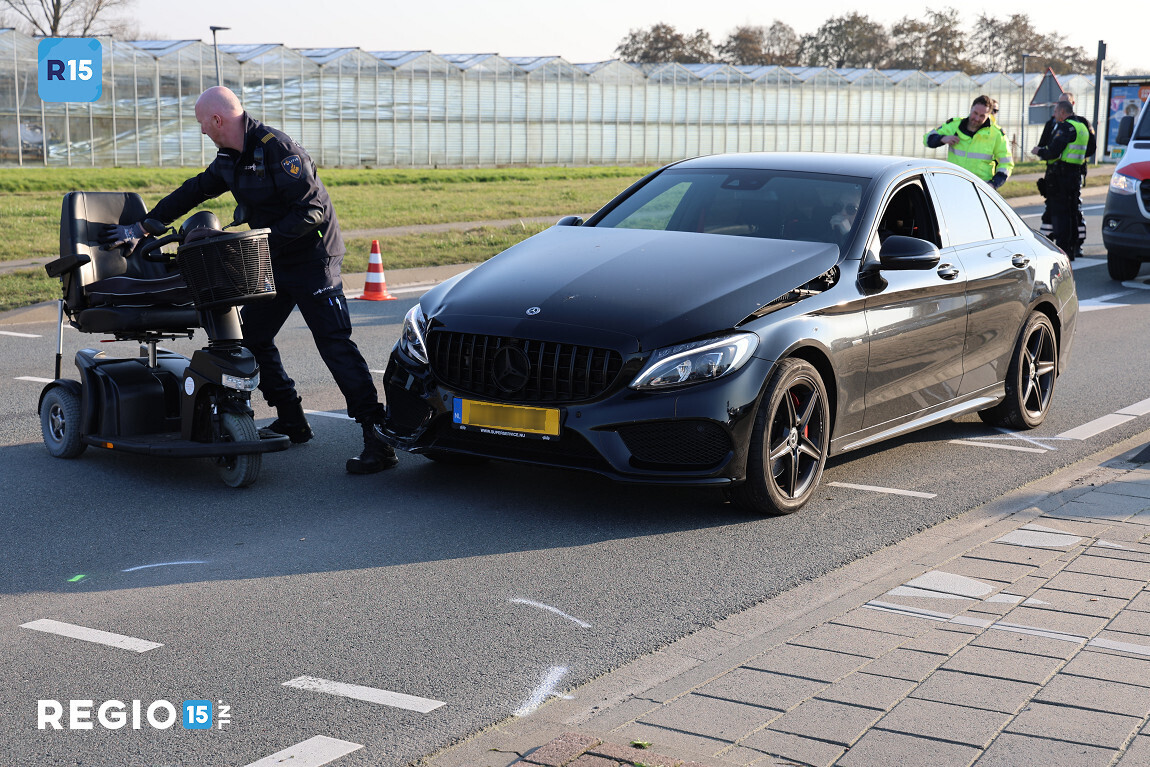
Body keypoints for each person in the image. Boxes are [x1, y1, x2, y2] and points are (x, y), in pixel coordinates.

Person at [101, 86, 397, 474]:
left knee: (334, 344)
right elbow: (194, 190)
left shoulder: (279, 150)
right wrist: (142, 226)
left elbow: (312, 212)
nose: (202, 131)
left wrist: (259, 240)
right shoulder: (230, 157)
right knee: (253, 337)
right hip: (273, 259)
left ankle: (377, 439)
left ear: (218, 119)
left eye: (202, 124)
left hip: (313, 260)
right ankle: (292, 418)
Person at [1031, 100, 1089, 260]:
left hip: (1061, 177)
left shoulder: (1065, 127)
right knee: (1072, 212)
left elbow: (1053, 152)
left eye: (1056, 112)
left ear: (1063, 112)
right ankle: (1072, 248)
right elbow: (1090, 149)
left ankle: (1063, 250)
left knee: (1060, 215)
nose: (1054, 115)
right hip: (1074, 175)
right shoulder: (1082, 127)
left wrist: (1039, 151)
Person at [923, 95, 1014, 189]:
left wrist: (993, 185)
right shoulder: (954, 125)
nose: (977, 118)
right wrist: (942, 138)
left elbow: (1006, 164)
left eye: (982, 116)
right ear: (971, 108)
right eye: (975, 113)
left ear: (989, 115)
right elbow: (927, 139)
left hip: (980, 189)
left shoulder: (996, 134)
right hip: (953, 186)